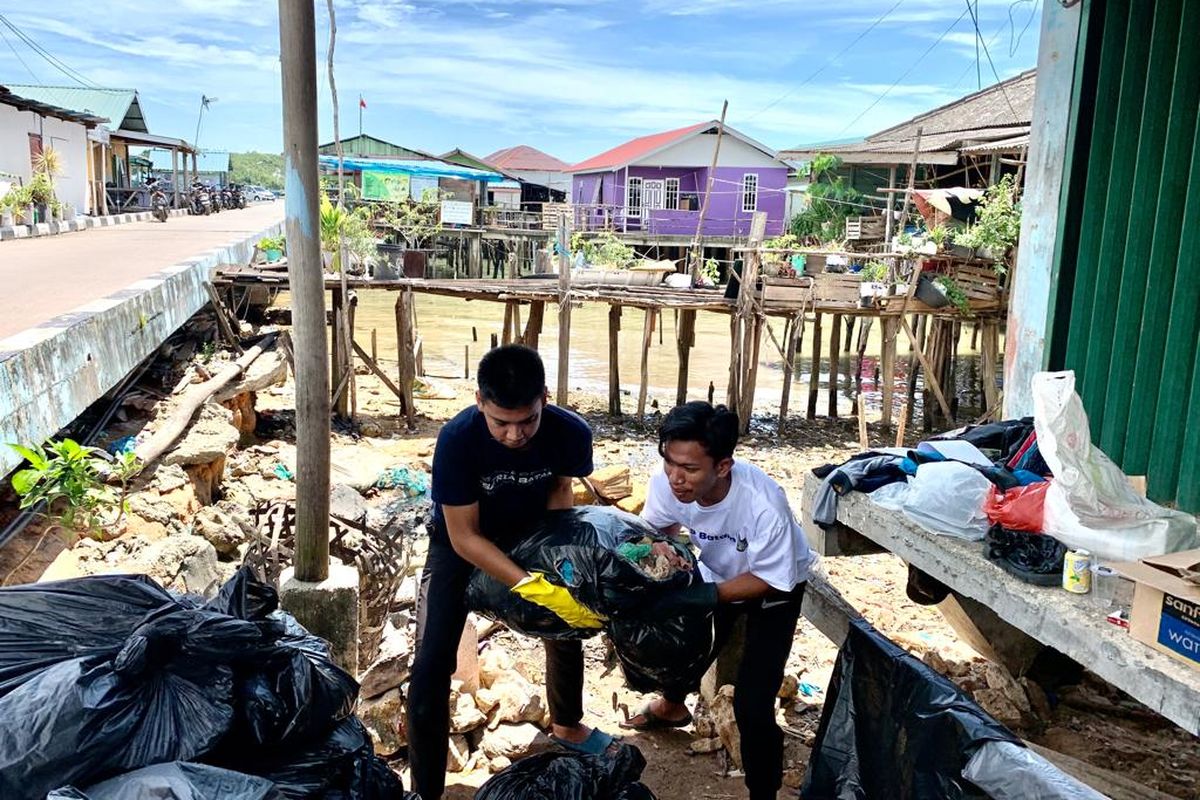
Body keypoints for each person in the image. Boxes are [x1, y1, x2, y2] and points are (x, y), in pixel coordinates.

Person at [407, 345, 618, 800]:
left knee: (566, 623)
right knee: (429, 667)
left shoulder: (570, 432)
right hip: (459, 544)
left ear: (544, 397)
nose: (515, 435)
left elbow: (561, 490)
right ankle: (425, 790)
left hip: (534, 531)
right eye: (501, 422)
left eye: (527, 420)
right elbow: (463, 536)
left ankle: (567, 723)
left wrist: (559, 562)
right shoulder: (458, 439)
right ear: (480, 401)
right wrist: (526, 584)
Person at [620, 401, 816, 800]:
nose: (676, 478)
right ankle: (672, 707)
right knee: (681, 649)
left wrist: (704, 596)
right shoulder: (667, 482)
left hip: (776, 590)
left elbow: (770, 579)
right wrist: (665, 555)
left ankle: (764, 791)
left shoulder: (762, 503)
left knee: (752, 704)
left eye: (690, 469)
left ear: (722, 467)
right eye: (669, 463)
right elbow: (660, 530)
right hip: (718, 573)